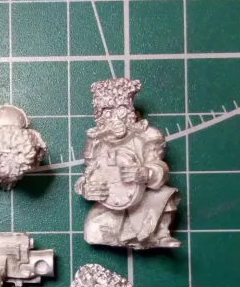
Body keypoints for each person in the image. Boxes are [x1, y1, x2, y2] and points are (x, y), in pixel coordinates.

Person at [75, 77, 180, 249]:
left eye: (121, 111)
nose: (116, 119)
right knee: (93, 230)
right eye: (108, 113)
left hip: (144, 199)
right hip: (112, 203)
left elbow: (160, 168)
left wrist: (147, 173)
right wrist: (87, 188)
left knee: (161, 200)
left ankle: (159, 234)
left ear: (130, 112)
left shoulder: (147, 137)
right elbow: (88, 174)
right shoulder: (96, 143)